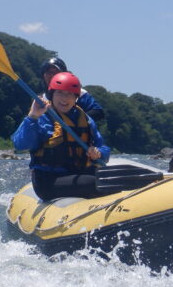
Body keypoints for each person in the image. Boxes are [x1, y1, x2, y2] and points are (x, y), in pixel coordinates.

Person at [12, 71, 110, 201]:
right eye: (60, 93)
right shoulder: (43, 118)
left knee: (114, 177)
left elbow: (103, 148)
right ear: (52, 94)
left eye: (69, 94)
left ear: (76, 98)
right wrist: (33, 116)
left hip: (79, 174)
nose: (64, 98)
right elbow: (20, 144)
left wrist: (99, 153)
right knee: (95, 183)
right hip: (48, 182)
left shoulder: (86, 120)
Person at [39, 57, 104, 120]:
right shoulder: (41, 100)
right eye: (49, 72)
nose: (52, 76)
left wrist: (77, 121)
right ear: (43, 75)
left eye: (56, 73)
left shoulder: (78, 92)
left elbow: (98, 112)